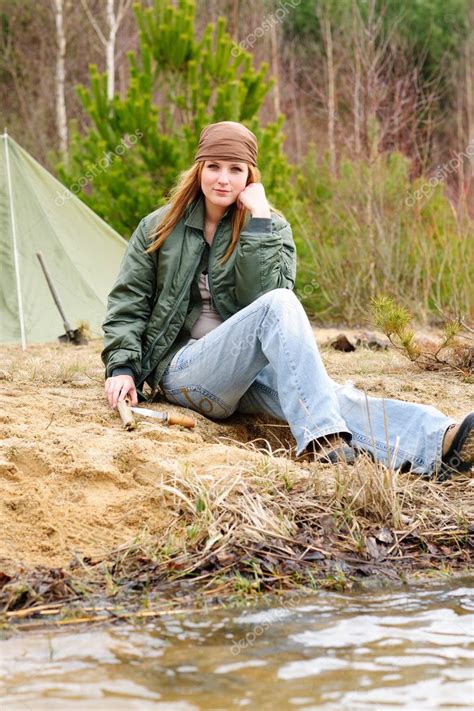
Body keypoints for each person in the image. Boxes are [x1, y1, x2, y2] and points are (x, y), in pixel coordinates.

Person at [102, 121, 473, 480]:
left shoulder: (271, 226)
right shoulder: (159, 226)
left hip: (246, 372)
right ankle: (323, 440)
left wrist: (258, 222)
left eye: (235, 168)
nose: (222, 178)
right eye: (213, 166)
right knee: (282, 306)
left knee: (327, 398)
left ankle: (438, 441)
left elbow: (261, 301)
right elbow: (128, 301)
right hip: (184, 370)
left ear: (250, 175)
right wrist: (122, 367)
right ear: (199, 169)